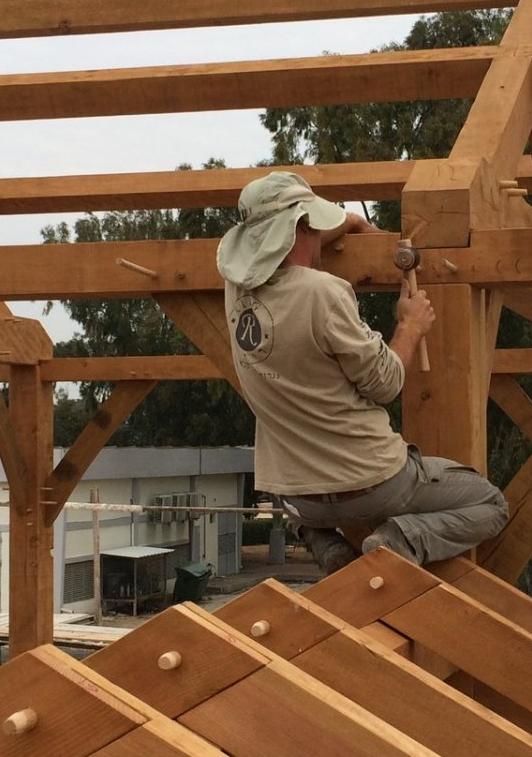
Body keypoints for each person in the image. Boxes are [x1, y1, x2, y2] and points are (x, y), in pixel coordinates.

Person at [218, 171, 509, 572]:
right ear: (302, 226)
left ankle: (327, 547)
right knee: (490, 503)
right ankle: (399, 539)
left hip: (298, 497)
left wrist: (350, 222)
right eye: (312, 224)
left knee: (301, 509)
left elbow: (277, 254)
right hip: (372, 483)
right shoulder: (324, 291)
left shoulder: (235, 291)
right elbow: (385, 383)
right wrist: (410, 326)